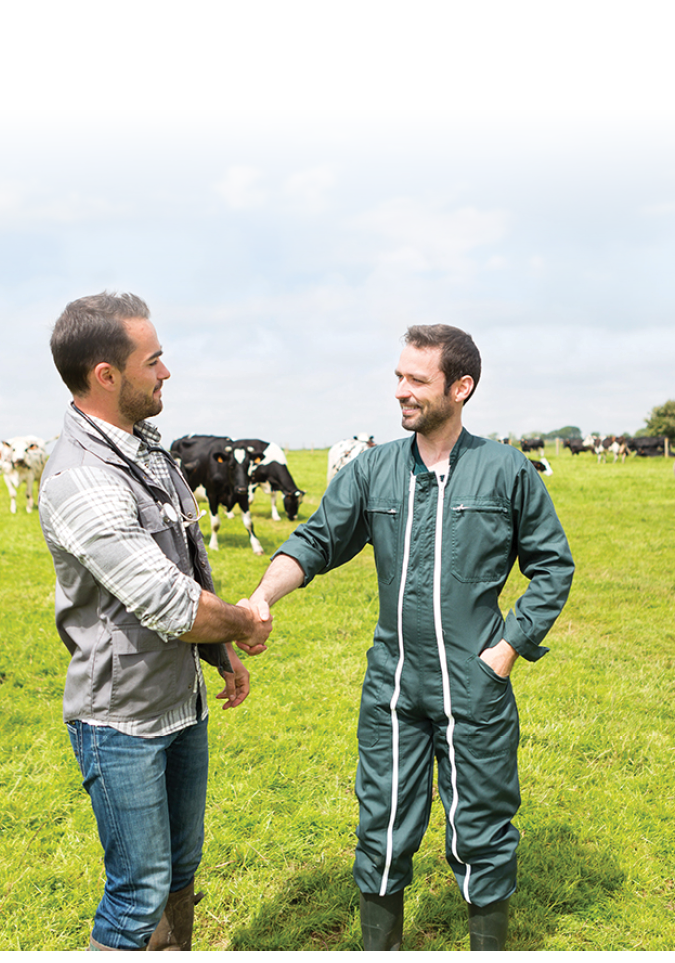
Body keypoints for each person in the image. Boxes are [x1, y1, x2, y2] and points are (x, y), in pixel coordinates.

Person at [245, 324, 573, 951]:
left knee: (481, 827)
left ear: (461, 387)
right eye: (398, 377)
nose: (400, 391)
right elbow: (317, 540)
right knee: (384, 821)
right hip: (393, 684)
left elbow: (553, 565)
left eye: (416, 380)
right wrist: (263, 594)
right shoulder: (374, 470)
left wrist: (508, 648)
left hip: (475, 685)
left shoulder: (505, 471)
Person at [39, 291, 273, 951]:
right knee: (137, 893)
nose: (166, 371)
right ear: (106, 375)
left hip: (180, 704)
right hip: (122, 722)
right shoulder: (80, 478)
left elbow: (188, 563)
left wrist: (219, 654)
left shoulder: (151, 454)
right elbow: (167, 601)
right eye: (154, 358)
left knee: (179, 874)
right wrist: (241, 623)